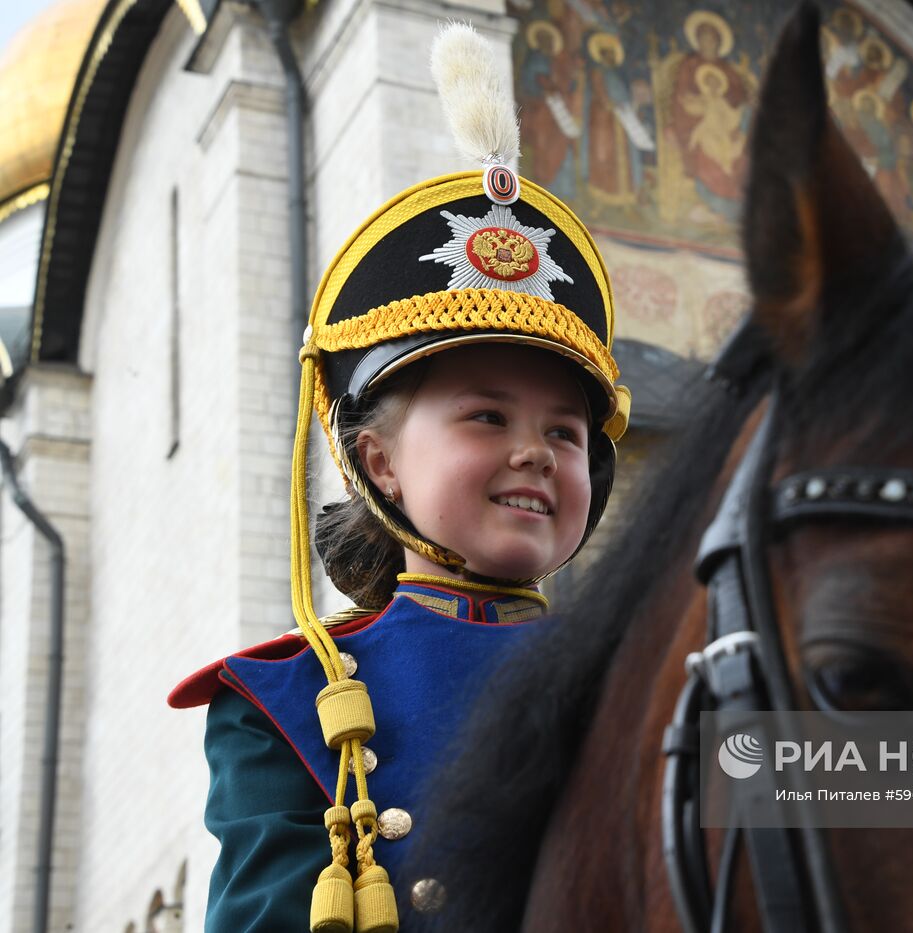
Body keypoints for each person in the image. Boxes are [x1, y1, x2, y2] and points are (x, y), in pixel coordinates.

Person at [167, 23, 630, 932]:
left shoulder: (663, 665)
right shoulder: (291, 700)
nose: (536, 450)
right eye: (487, 416)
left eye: (567, 432)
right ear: (379, 460)